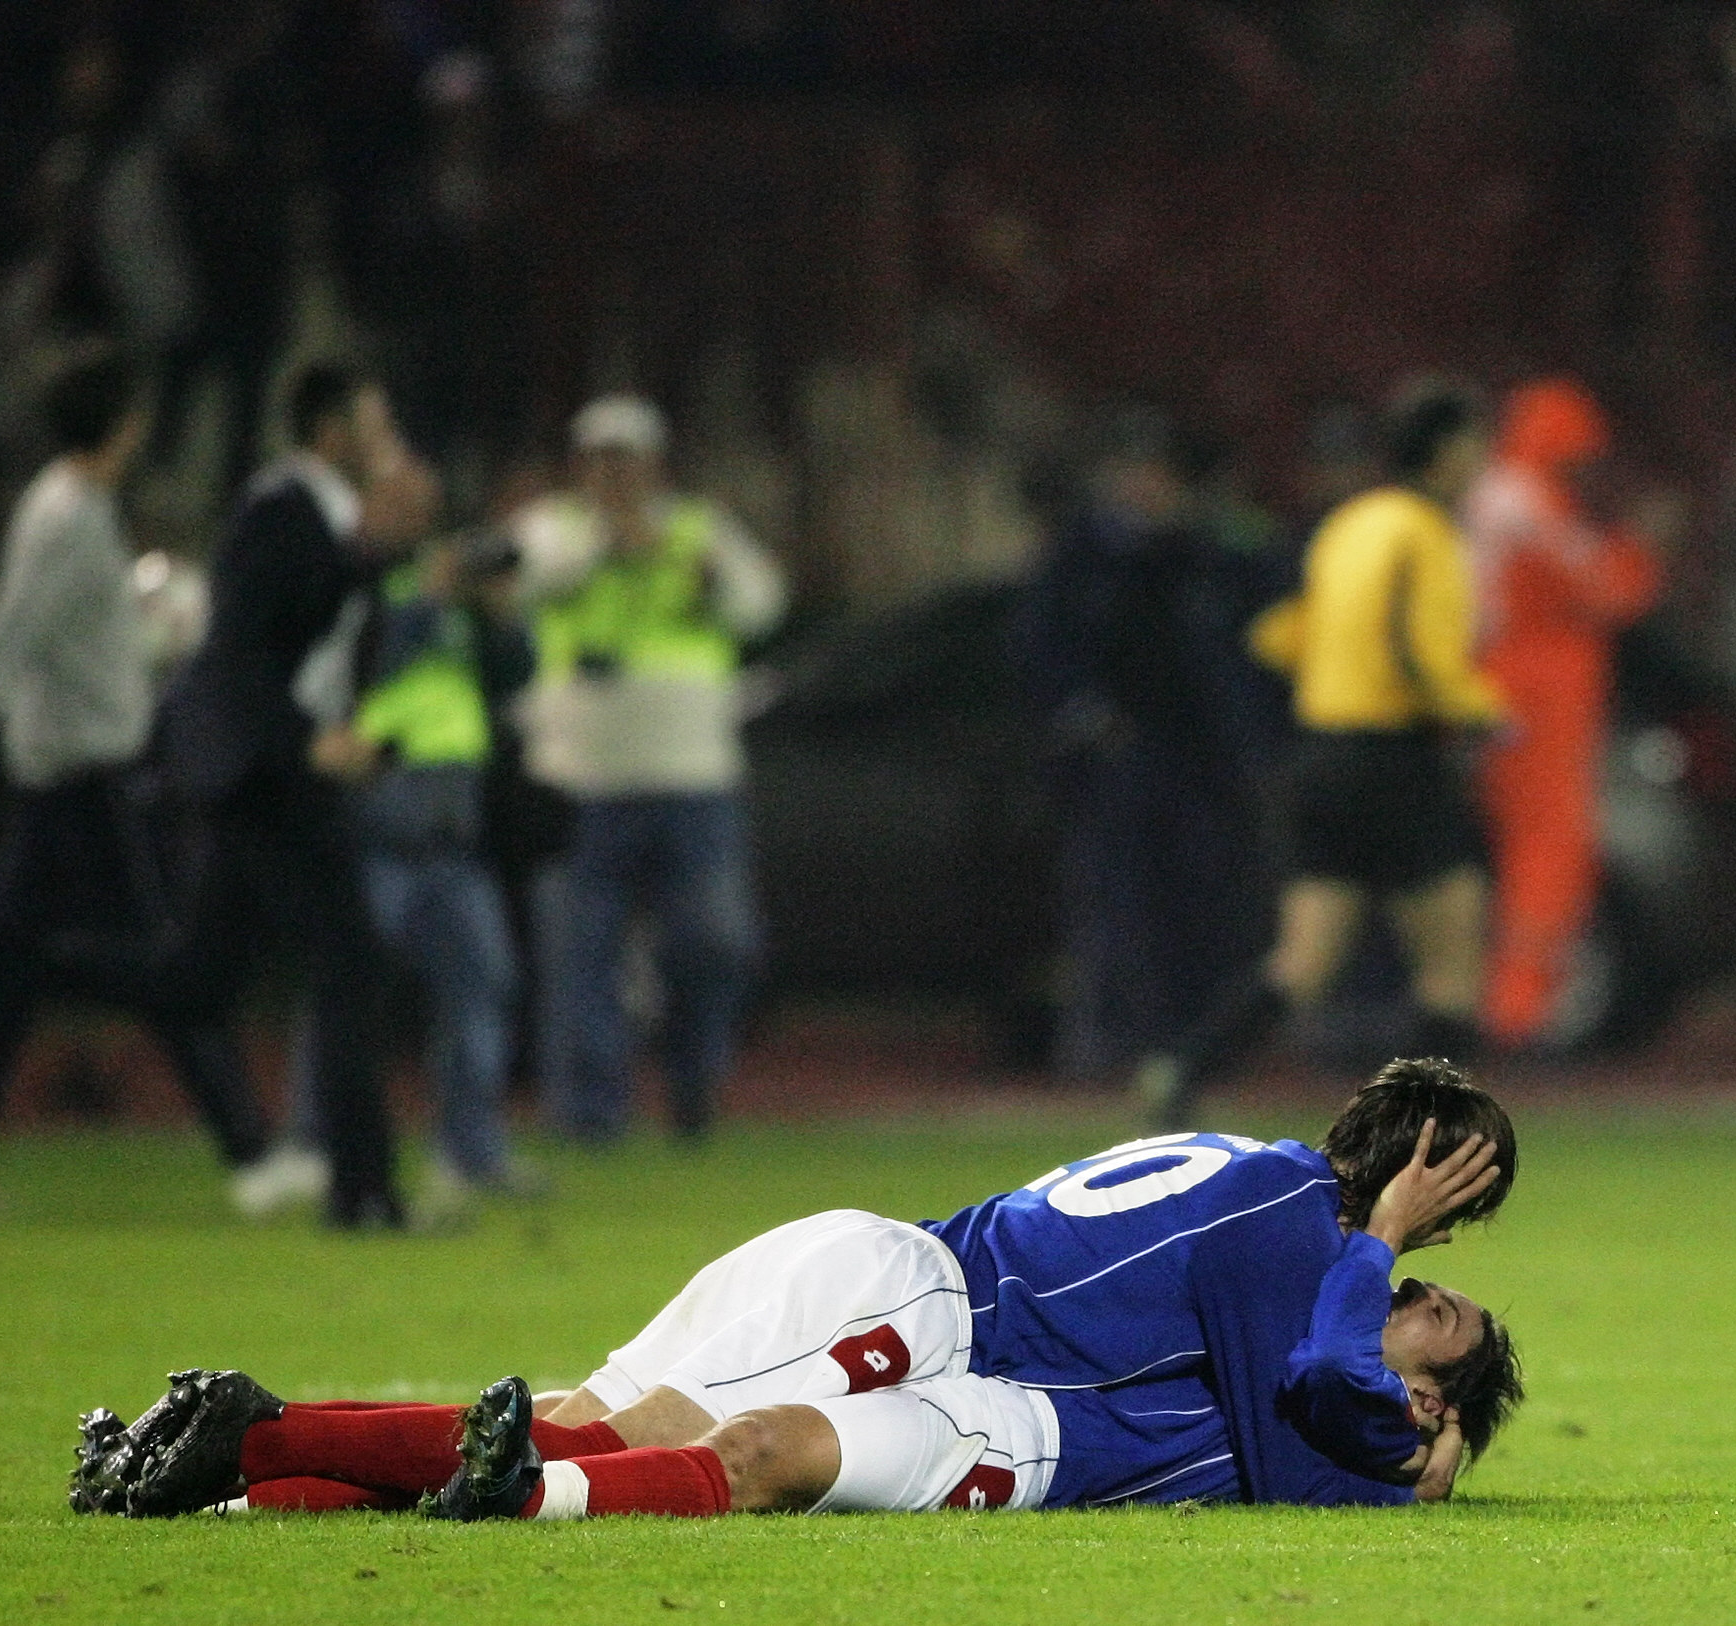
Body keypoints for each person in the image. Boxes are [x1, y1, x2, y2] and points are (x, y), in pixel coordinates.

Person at [75, 1060, 1521, 1517]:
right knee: (600, 1437)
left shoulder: (1248, 1164)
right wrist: (1381, 1251)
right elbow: (1311, 1408)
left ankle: (229, 1482)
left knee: (583, 1424)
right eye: (1468, 1203)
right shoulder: (1292, 1223)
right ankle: (257, 1431)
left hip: (888, 1283)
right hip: (916, 1296)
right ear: (1435, 1182)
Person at [1134, 385, 1506, 1126]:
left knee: (1302, 963)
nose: (1483, 458)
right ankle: (1428, 1126)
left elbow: (1283, 634)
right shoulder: (1424, 530)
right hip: (1397, 760)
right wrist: (1478, 711)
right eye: (1475, 442)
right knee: (1452, 961)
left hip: (1323, 761)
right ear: (1446, 452)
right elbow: (1412, 653)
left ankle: (1184, 1068)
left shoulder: (1349, 524)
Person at [0, 348, 300, 1208]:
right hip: (84, 781)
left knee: (15, 971)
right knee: (174, 965)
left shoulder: (72, 507)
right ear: (123, 422)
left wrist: (146, 633)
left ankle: (251, 1149)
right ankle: (252, 1153)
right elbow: (16, 632)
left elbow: (68, 637)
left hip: (66, 776)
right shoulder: (68, 516)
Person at [157, 361, 417, 1229]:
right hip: (265, 774)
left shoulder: (329, 524)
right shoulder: (279, 512)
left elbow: (317, 642)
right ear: (332, 432)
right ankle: (363, 1192)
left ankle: (32, 961)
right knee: (352, 959)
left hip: (268, 770)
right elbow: (238, 656)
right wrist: (310, 742)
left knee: (193, 981)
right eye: (374, 425)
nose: (387, 445)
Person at [511, 395, 786, 1142]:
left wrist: (705, 577)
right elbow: (514, 589)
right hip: (579, 777)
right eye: (600, 458)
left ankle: (694, 1078)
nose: (615, 473)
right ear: (580, 466)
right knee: (579, 955)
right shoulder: (552, 531)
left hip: (693, 772)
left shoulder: (700, 529)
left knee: (716, 939)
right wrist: (603, 548)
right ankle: (592, 1115)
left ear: (655, 464)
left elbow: (763, 605)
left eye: (627, 458)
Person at [1018, 415, 1286, 1075]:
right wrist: (1081, 721)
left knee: (1203, 908)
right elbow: (1042, 655)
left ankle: (1194, 1047)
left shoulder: (1207, 556)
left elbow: (1248, 651)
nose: (1147, 486)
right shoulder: (1081, 559)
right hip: (1117, 768)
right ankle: (1113, 1047)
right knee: (1116, 913)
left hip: (1202, 770)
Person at [303, 514, 544, 1219]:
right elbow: (360, 669)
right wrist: (429, 600)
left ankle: (471, 1152)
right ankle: (317, 1144)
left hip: (453, 838)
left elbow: (519, 677)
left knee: (483, 988)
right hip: (382, 819)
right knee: (347, 992)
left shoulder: (469, 620)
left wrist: (500, 616)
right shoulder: (382, 596)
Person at [1466, 378, 1662, 1049]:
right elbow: (1606, 590)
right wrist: (1641, 549)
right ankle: (1520, 1009)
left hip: (1515, 689)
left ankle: (1517, 1001)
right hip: (1538, 694)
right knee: (1548, 850)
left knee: (1532, 848)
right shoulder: (1526, 501)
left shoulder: (1500, 495)